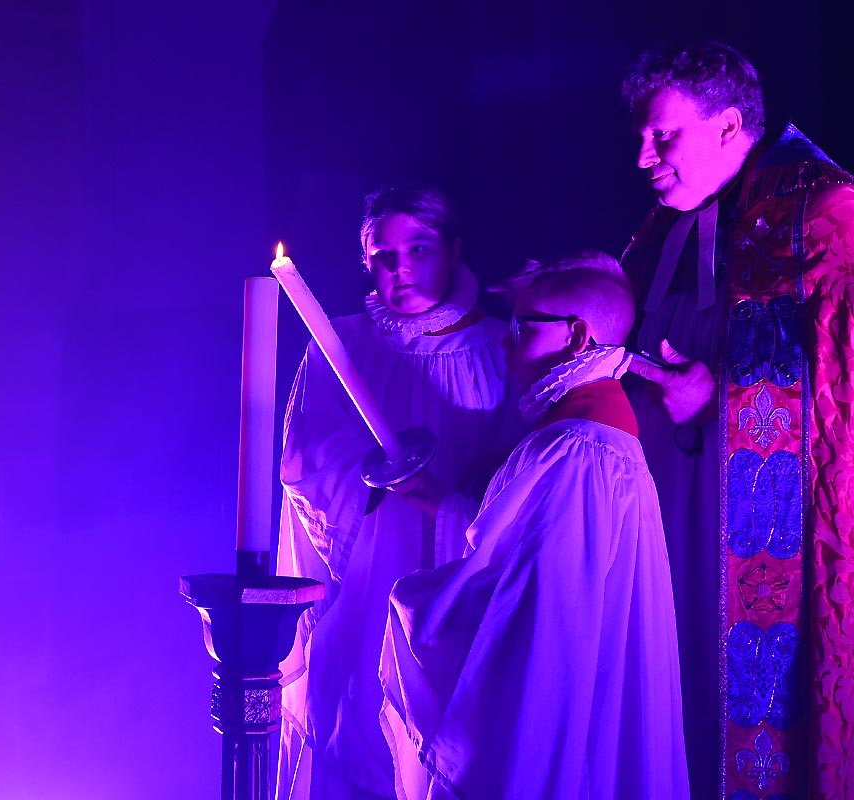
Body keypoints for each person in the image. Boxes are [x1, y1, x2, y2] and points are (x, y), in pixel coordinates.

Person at [619, 42, 854, 799]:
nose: (644, 159)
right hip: (675, 519)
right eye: (641, 139)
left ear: (728, 126)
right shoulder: (662, 231)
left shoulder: (831, 214)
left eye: (664, 136)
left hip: (784, 542)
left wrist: (716, 398)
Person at [378, 252, 689, 800]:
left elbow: (538, 626)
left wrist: (416, 607)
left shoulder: (578, 452)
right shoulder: (582, 440)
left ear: (575, 337)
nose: (505, 342)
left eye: (522, 328)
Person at [274, 185, 513, 800]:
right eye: (383, 256)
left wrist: (465, 493)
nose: (401, 269)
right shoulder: (342, 344)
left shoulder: (502, 347)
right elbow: (307, 454)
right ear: (365, 261)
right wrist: (374, 474)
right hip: (370, 566)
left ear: (454, 250)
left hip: (464, 561)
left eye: (420, 249)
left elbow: (522, 452)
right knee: (363, 725)